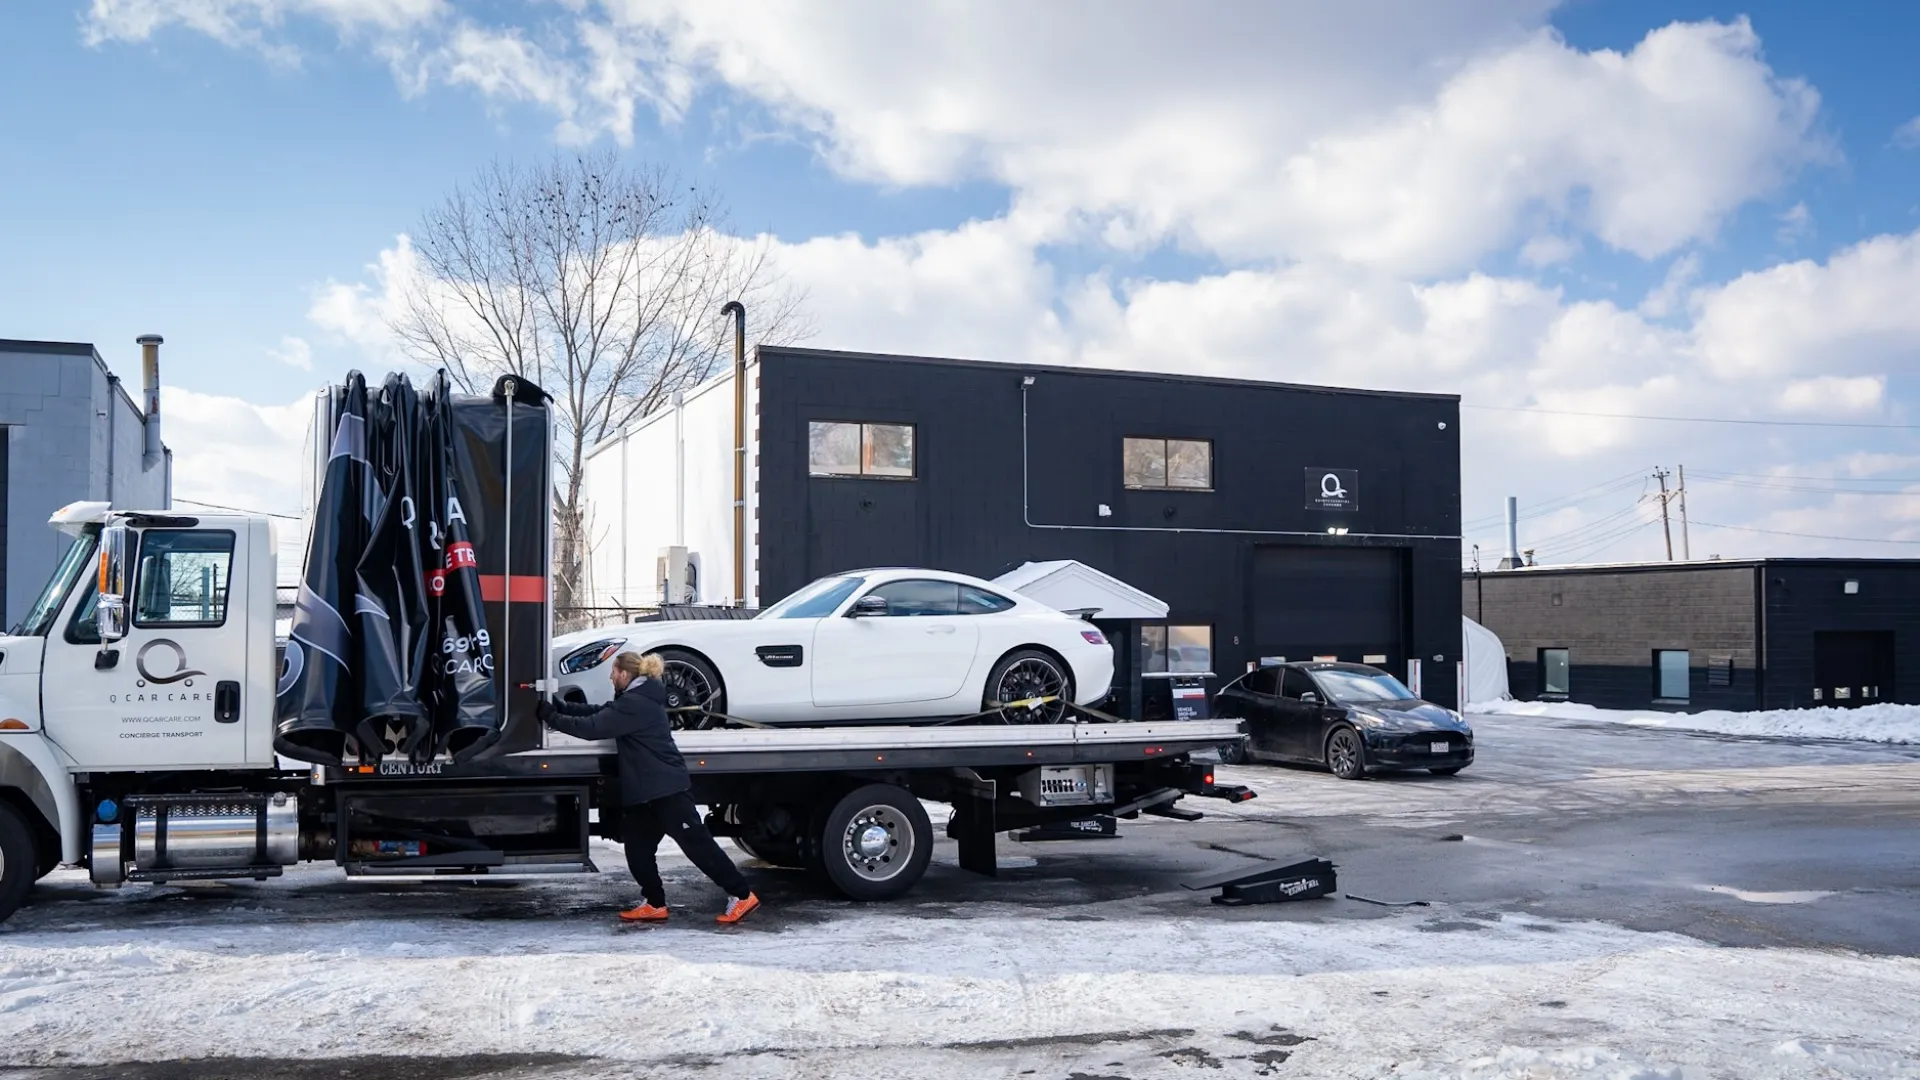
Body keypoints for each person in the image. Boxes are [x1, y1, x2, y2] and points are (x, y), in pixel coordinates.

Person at [537, 651, 760, 924]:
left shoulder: (636, 703)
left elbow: (593, 727)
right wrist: (561, 707)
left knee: (698, 846)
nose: (610, 676)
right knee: (637, 848)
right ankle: (655, 904)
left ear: (625, 674)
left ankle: (742, 895)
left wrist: (552, 718)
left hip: (666, 789)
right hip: (646, 793)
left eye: (613, 671)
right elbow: (600, 712)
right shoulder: (633, 700)